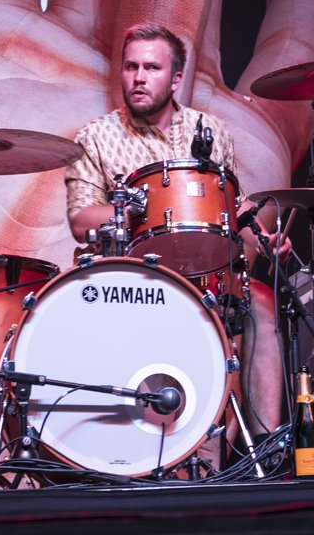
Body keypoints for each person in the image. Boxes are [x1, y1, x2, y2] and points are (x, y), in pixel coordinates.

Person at [65, 23, 289, 457]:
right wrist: (131, 208)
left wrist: (264, 239)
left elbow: (229, 206)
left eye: (152, 67)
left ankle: (267, 450)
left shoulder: (211, 131)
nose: (139, 77)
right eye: (131, 67)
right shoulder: (95, 136)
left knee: (261, 301)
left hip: (202, 277)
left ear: (176, 78)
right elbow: (79, 221)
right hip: (128, 281)